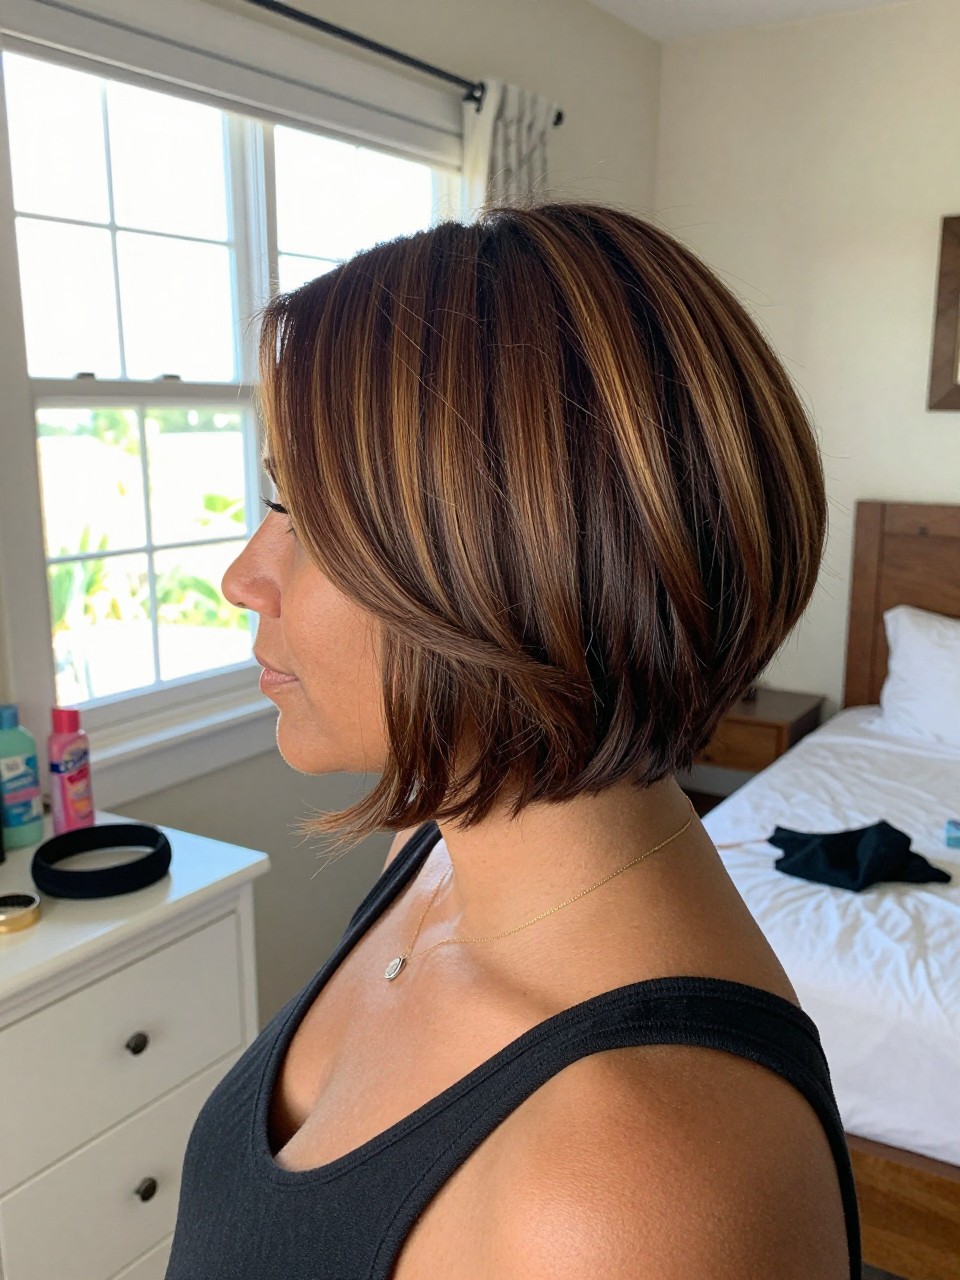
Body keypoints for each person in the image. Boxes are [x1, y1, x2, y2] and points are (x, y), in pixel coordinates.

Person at [166, 200, 859, 1279]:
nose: (243, 577)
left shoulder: (629, 1192)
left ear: (508, 562)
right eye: (272, 498)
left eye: (310, 517)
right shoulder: (433, 852)